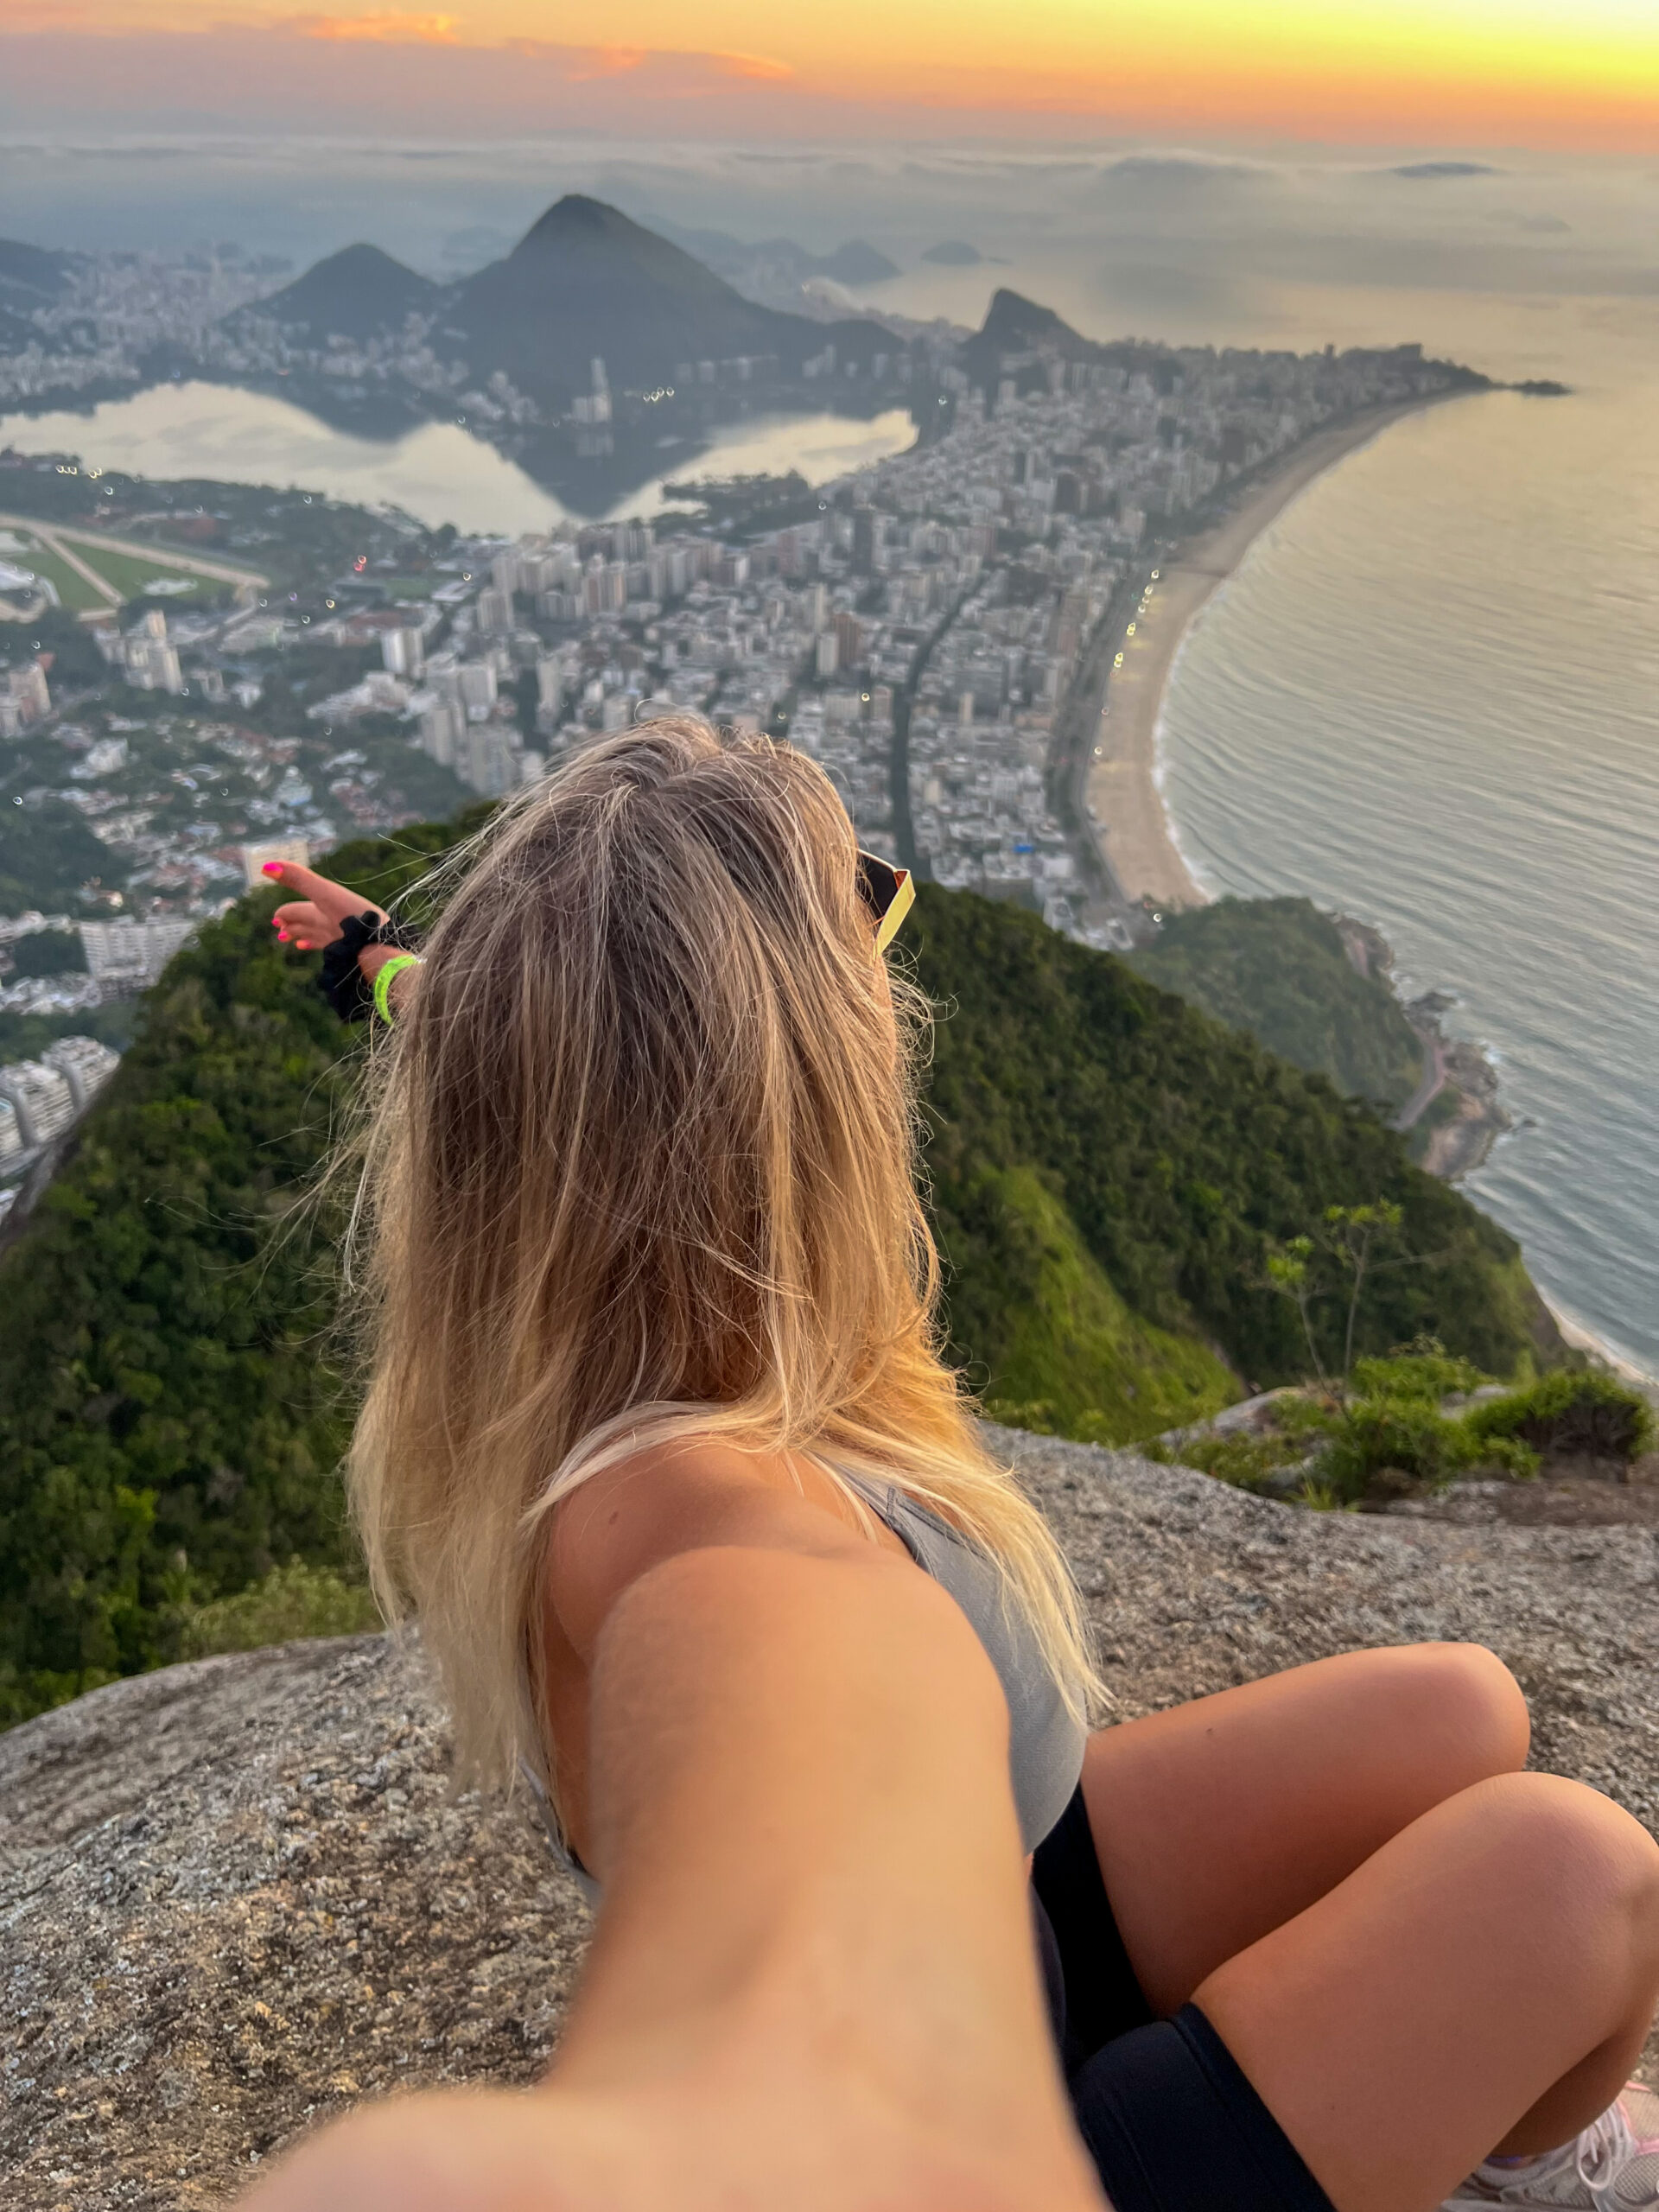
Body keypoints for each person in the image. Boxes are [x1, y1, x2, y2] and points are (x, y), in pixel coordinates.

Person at [246, 719, 1659, 2212]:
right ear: (795, 1090)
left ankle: (1500, 2140)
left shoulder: (636, 1332)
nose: (890, 944)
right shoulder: (683, 1508)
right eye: (869, 916)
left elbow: (529, 1075)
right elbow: (796, 1700)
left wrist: (392, 971)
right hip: (1032, 2138)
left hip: (1019, 1903)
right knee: (1574, 1873)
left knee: (1454, 1707)